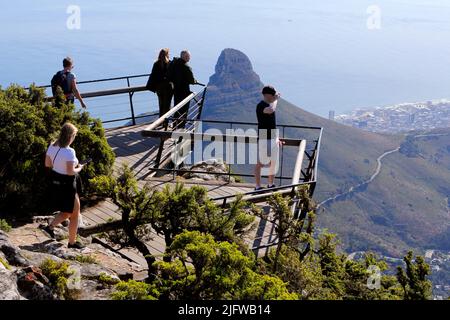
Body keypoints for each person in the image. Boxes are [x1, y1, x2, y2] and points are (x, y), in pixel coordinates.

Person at [42, 122, 86, 249]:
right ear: (71, 136)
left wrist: (60, 166)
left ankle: (49, 227)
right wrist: (80, 168)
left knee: (67, 211)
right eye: (74, 136)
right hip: (68, 184)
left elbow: (47, 164)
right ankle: (72, 243)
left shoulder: (52, 146)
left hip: (56, 182)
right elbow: (70, 172)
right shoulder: (70, 152)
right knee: (75, 213)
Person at [254, 85, 281, 191]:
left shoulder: (269, 103)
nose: (274, 96)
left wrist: (277, 138)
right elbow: (270, 110)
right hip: (264, 137)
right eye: (273, 94)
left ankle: (270, 184)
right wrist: (276, 100)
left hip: (273, 136)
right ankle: (257, 186)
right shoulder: (261, 106)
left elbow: (272, 123)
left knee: (273, 162)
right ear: (266, 95)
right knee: (261, 162)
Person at [168, 50, 198, 128]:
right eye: (188, 56)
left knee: (176, 108)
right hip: (184, 91)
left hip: (176, 90)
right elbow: (191, 80)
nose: (189, 58)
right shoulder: (186, 67)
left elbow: (170, 75)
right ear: (185, 57)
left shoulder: (174, 64)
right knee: (184, 110)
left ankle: (174, 125)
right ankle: (181, 128)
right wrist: (195, 81)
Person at [147, 48, 173, 118]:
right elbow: (172, 76)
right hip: (168, 88)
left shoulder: (156, 64)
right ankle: (165, 123)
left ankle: (160, 121)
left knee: (161, 105)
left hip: (159, 88)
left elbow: (153, 75)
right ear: (167, 55)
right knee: (167, 106)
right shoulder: (170, 63)